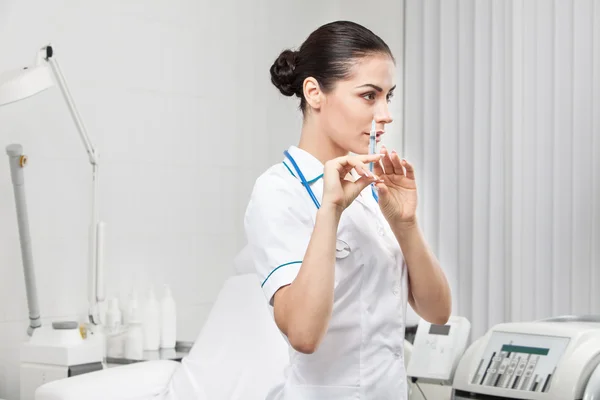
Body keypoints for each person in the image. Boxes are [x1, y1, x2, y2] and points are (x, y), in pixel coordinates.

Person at [244, 20, 452, 399]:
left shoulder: (373, 191)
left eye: (389, 96)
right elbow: (303, 335)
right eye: (369, 96)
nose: (386, 114)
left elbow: (438, 313)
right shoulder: (279, 192)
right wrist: (330, 212)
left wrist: (406, 225)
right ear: (314, 93)